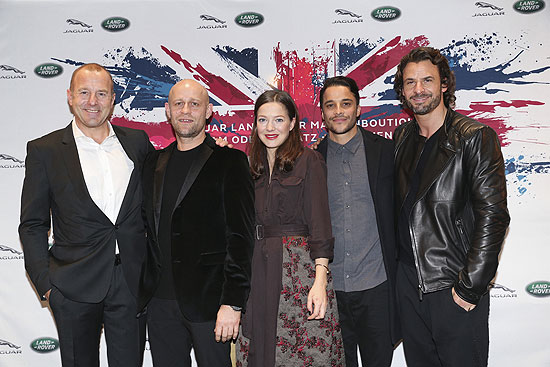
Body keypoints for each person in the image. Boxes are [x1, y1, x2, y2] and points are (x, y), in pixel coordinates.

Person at [19, 63, 153, 366]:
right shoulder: (46, 150)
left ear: (113, 98)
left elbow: (164, 188)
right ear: (69, 97)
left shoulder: (137, 143)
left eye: (101, 93)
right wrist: (47, 286)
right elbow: (32, 224)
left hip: (130, 282)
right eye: (84, 93)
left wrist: (214, 150)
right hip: (72, 285)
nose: (93, 102)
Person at [393, 46, 510, 367]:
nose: (419, 90)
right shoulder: (401, 137)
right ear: (401, 90)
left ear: (444, 84)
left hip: (452, 285)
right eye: (410, 82)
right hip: (409, 287)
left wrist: (470, 287)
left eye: (427, 80)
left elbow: (494, 216)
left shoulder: (474, 137)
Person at [140, 79, 254, 367]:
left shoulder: (230, 161)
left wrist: (233, 302)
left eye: (195, 104)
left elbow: (240, 237)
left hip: (211, 303)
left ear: (209, 111)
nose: (186, 110)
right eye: (178, 104)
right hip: (160, 304)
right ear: (168, 111)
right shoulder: (152, 163)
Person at [236, 90, 344, 367]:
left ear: (293, 122)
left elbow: (320, 223)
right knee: (258, 347)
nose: (270, 128)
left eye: (278, 120)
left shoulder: (309, 161)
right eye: (263, 120)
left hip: (298, 274)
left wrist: (320, 281)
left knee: (301, 353)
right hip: (256, 269)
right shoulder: (248, 166)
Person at [315, 76, 400, 367]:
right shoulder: (312, 161)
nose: (338, 111)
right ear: (323, 113)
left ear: (358, 108)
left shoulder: (386, 153)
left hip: (377, 287)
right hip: (331, 291)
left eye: (346, 104)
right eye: (331, 105)